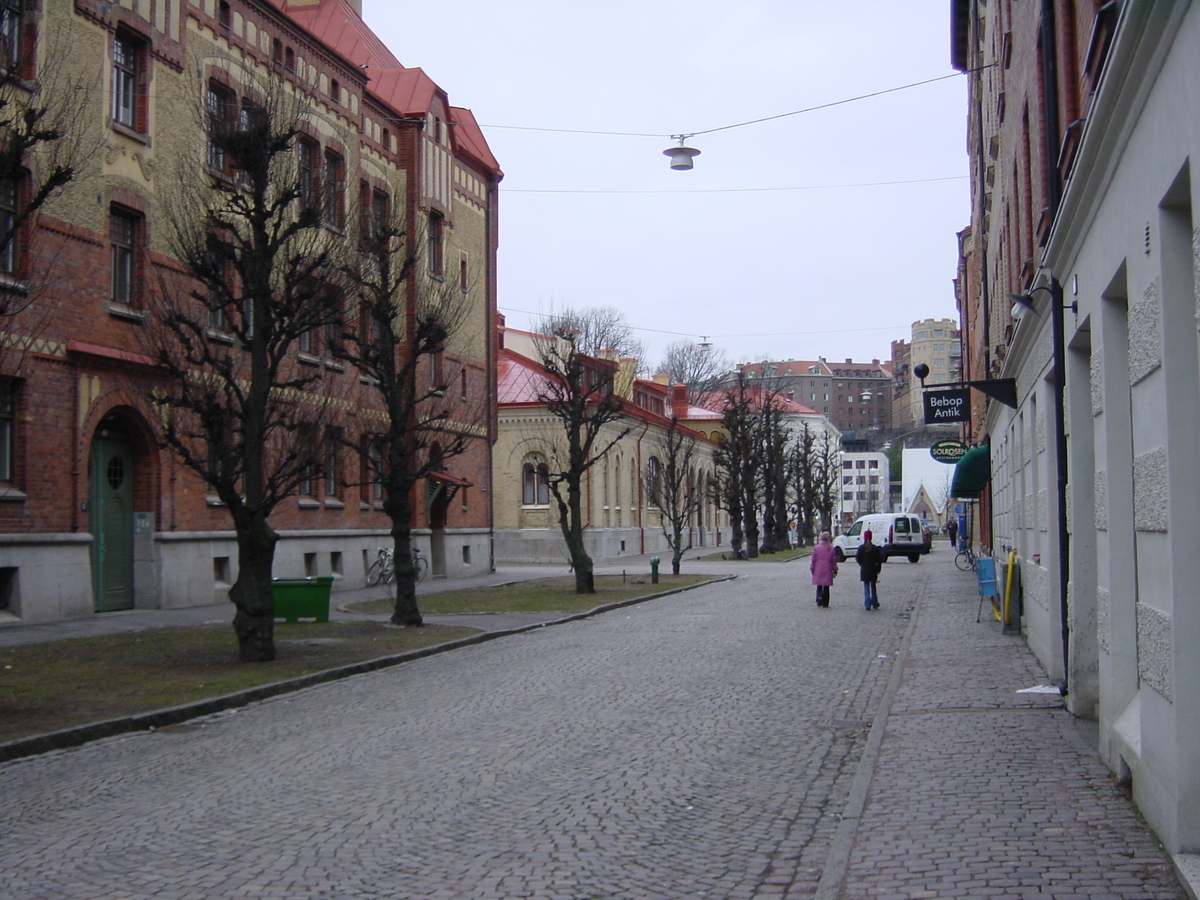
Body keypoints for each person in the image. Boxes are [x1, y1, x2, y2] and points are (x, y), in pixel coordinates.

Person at [855, 529, 883, 610]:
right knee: (873, 587)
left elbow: (858, 559)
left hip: (864, 570)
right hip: (873, 570)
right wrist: (878, 569)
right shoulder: (875, 548)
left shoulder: (861, 548)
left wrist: (862, 565)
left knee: (866, 587)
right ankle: (874, 602)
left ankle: (867, 604)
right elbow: (879, 560)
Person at [810, 531, 837, 608]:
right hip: (828, 568)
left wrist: (812, 568)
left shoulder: (817, 548)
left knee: (819, 585)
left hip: (818, 568)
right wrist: (834, 568)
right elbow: (833, 560)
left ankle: (819, 597)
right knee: (826, 586)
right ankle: (825, 601)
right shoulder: (831, 548)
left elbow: (813, 559)